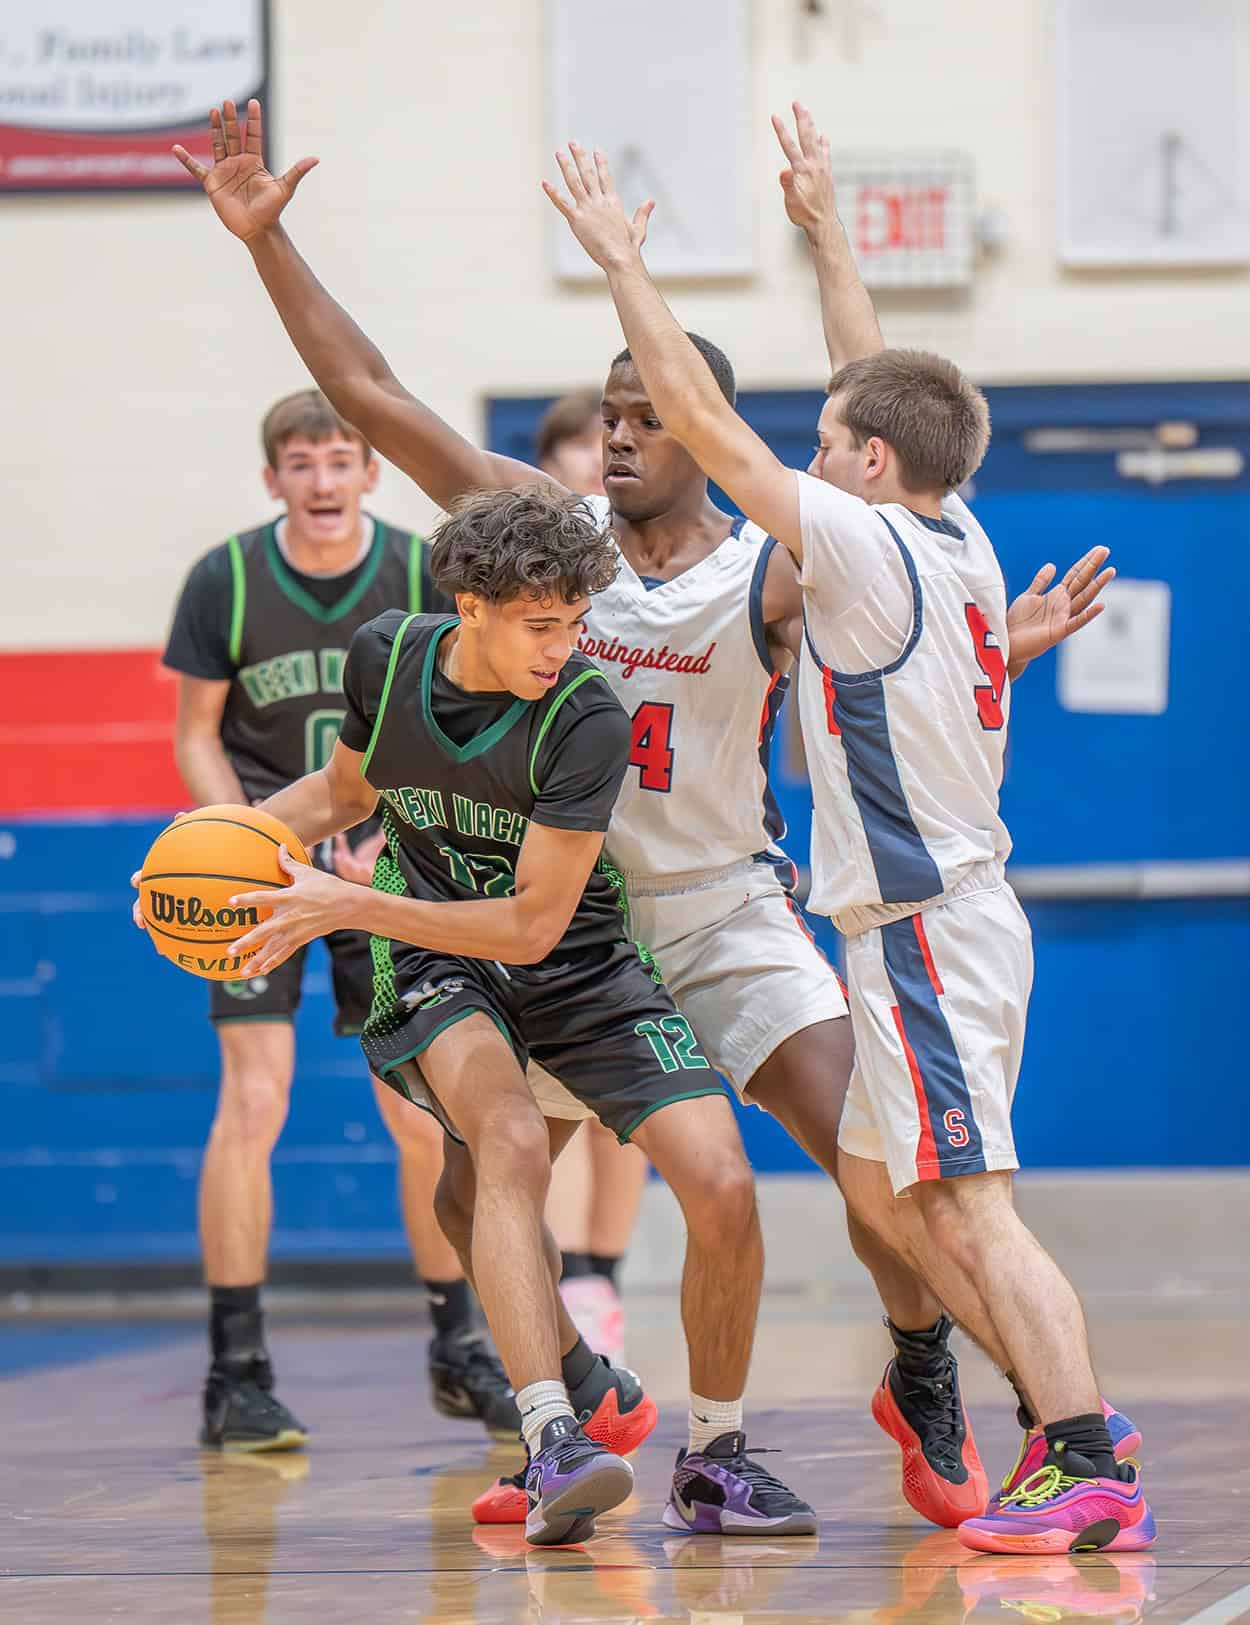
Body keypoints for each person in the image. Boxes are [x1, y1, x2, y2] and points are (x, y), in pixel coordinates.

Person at [168, 102, 821, 1544]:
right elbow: (370, 387)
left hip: (623, 920)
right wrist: (225, 856)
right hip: (457, 944)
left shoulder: (725, 586)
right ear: (474, 602)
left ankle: (740, 1433)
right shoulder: (484, 575)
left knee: (728, 1176)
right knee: (493, 1152)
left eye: (660, 409)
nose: (631, 430)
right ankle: (548, 1422)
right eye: (616, 411)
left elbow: (536, 918)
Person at [544, 111, 1156, 1556]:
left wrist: (625, 265)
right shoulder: (950, 531)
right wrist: (824, 238)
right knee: (913, 1211)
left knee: (972, 1212)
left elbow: (699, 416)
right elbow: (867, 387)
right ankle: (969, 1395)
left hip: (926, 925)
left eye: (828, 446)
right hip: (919, 926)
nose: (807, 460)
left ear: (869, 468)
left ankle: (1084, 1448)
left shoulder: (863, 545)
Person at [162, 388, 517, 1449]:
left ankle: (459, 1347)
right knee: (253, 1099)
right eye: (301, 464)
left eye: (339, 460)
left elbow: (461, 711)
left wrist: (391, 824)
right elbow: (195, 733)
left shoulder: (419, 570)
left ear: (369, 472)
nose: (321, 481)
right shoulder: (224, 580)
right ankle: (237, 1370)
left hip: (387, 865)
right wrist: (246, 841)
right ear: (273, 479)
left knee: (422, 1117)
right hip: (264, 867)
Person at [536, 389, 648, 1368]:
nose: (594, 457)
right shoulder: (538, 587)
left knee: (638, 1101)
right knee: (565, 1090)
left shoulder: (666, 563)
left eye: (605, 440)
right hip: (557, 852)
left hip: (653, 857)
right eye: (575, 445)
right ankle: (570, 1270)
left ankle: (603, 1272)